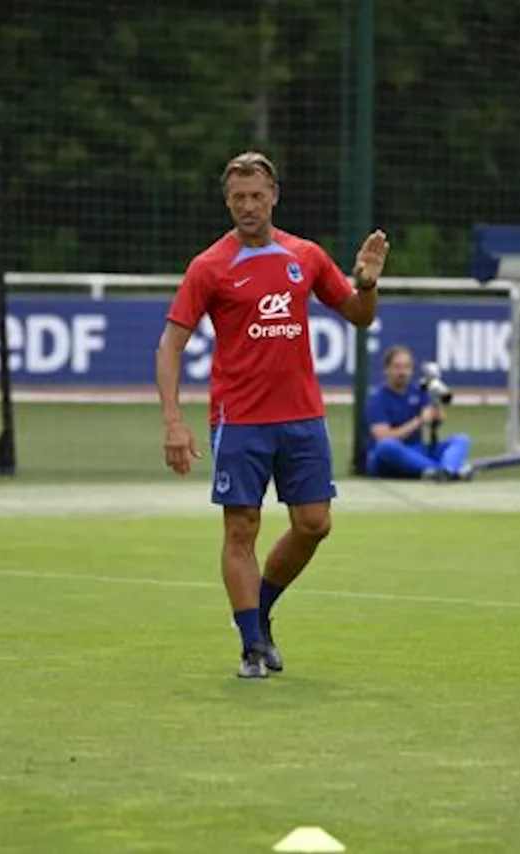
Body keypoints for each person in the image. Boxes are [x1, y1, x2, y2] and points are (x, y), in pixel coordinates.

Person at [155, 151, 390, 678]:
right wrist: (174, 421)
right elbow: (169, 346)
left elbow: (358, 317)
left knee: (314, 524)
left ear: (274, 196)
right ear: (227, 201)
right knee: (242, 531)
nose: (248, 206)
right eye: (238, 198)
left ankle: (257, 615)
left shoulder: (304, 255)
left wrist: (368, 283)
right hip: (239, 421)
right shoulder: (209, 266)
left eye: (256, 196)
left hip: (302, 418)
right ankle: (252, 647)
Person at [364, 344, 473, 480]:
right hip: (390, 455)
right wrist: (419, 421)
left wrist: (437, 407)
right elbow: (383, 436)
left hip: (419, 449)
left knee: (461, 439)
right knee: (385, 447)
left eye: (406, 367)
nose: (402, 372)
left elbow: (438, 419)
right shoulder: (377, 397)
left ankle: (447, 470)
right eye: (397, 367)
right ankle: (443, 470)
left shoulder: (419, 391)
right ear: (387, 370)